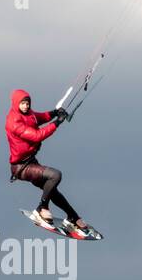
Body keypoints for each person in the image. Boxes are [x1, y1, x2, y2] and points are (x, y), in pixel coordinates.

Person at [5, 88, 91, 233]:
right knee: (55, 175)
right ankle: (41, 209)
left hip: (31, 162)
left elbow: (41, 117)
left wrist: (54, 113)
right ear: (16, 104)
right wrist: (57, 123)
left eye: (27, 103)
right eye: (23, 103)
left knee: (51, 190)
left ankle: (72, 217)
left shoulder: (29, 114)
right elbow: (37, 136)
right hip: (21, 168)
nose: (26, 106)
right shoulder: (14, 122)